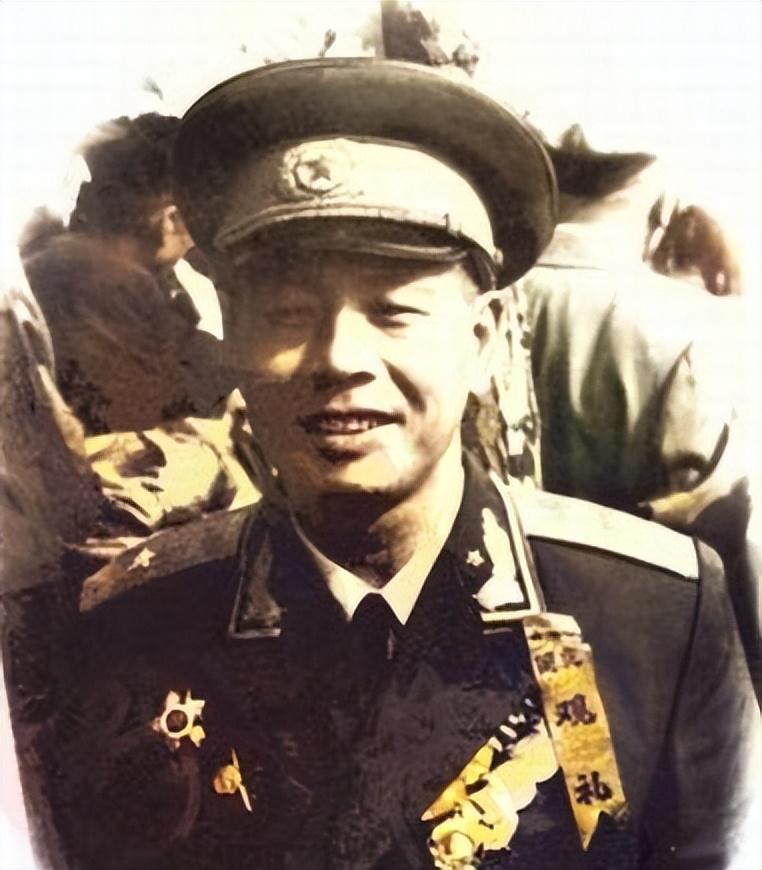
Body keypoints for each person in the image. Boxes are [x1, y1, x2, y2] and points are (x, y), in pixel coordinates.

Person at [4, 59, 756, 870]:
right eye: (288, 313)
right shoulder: (135, 621)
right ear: (231, 341)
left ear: (483, 339)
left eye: (394, 311)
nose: (339, 358)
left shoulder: (652, 615)